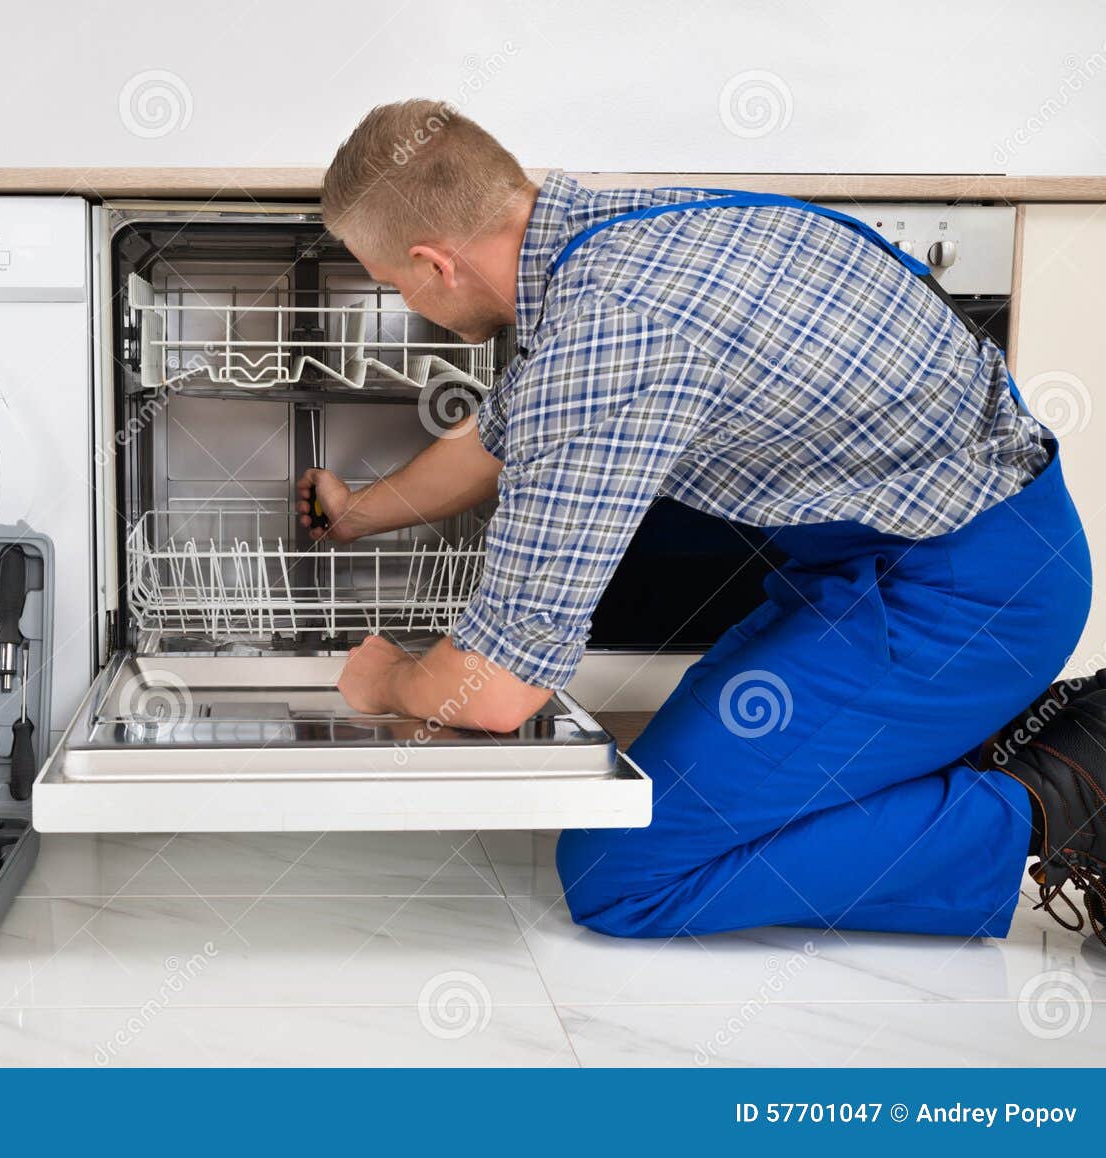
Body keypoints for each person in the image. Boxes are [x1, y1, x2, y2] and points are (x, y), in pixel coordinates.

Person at [302, 99, 1105, 943]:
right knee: (712, 782)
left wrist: (387, 680)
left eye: (394, 282)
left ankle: (1060, 793)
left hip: (969, 599)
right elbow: (503, 435)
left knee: (625, 877)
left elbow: (497, 693)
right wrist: (359, 513)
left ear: (433, 265)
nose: (407, 299)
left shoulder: (608, 340)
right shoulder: (614, 235)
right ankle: (946, 750)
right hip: (899, 562)